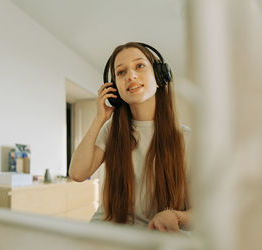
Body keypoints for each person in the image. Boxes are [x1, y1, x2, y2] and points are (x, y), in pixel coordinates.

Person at [68, 42, 192, 233]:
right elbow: (77, 173)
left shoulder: (186, 139)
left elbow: (206, 214)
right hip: (110, 232)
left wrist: (176, 216)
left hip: (158, 237)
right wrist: (99, 119)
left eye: (139, 66)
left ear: (159, 76)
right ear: (115, 89)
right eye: (121, 72)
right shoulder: (112, 131)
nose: (131, 76)